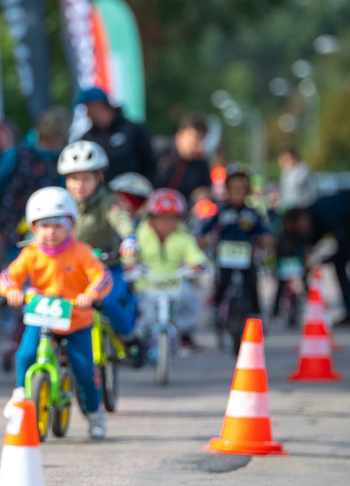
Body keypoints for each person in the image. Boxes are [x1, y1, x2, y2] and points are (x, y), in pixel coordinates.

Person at [0, 187, 112, 439]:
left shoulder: (81, 252)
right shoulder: (31, 254)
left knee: (84, 368)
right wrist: (12, 291)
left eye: (58, 224)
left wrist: (90, 295)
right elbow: (9, 275)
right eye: (43, 225)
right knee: (26, 353)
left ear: (71, 223)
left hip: (76, 321)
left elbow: (101, 276)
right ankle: (20, 390)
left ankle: (94, 413)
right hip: (42, 318)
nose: (51, 232)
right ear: (33, 227)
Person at [56, 140, 137, 343]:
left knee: (107, 301)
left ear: (99, 178)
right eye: (73, 178)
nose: (79, 185)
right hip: (75, 270)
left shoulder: (106, 201)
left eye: (85, 178)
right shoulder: (62, 202)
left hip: (107, 267)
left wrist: (129, 238)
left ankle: (128, 336)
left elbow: (119, 217)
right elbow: (47, 223)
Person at [282, 189, 350, 326]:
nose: (301, 233)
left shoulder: (328, 211)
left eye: (299, 229)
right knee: (339, 263)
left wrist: (320, 261)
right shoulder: (315, 215)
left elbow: (344, 248)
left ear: (302, 218)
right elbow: (313, 243)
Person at [0, 107, 69, 257]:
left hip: (43, 223)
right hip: (10, 221)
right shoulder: (19, 153)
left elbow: (62, 189)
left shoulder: (60, 158)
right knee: (11, 266)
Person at [134, 189, 206, 350]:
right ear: (151, 219)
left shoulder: (183, 236)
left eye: (171, 219)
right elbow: (131, 254)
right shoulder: (140, 235)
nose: (166, 224)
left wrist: (197, 263)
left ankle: (183, 334)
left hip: (174, 283)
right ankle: (138, 340)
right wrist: (131, 263)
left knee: (189, 301)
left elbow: (194, 253)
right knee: (144, 317)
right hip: (147, 285)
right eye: (161, 219)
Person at [198, 166, 274, 321]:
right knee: (223, 281)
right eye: (234, 188)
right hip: (226, 255)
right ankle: (216, 307)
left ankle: (256, 313)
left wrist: (266, 239)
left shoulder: (253, 213)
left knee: (252, 281)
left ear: (248, 191)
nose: (238, 192)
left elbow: (264, 230)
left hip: (247, 255)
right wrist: (203, 239)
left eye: (242, 188)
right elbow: (204, 229)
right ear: (227, 190)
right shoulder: (221, 211)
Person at [76, 87, 156, 183]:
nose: (87, 114)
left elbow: (150, 163)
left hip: (133, 193)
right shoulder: (87, 137)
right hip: (101, 195)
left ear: (97, 106)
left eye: (88, 108)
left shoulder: (134, 130)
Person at [152, 115, 212, 201]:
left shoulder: (201, 165)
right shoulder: (159, 150)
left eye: (202, 139)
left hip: (182, 211)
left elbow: (205, 189)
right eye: (195, 138)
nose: (198, 144)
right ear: (179, 135)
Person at [277, 146, 315, 211]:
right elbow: (285, 191)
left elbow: (295, 186)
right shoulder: (285, 172)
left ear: (293, 157)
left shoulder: (302, 169)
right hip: (291, 207)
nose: (285, 161)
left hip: (304, 205)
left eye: (287, 158)